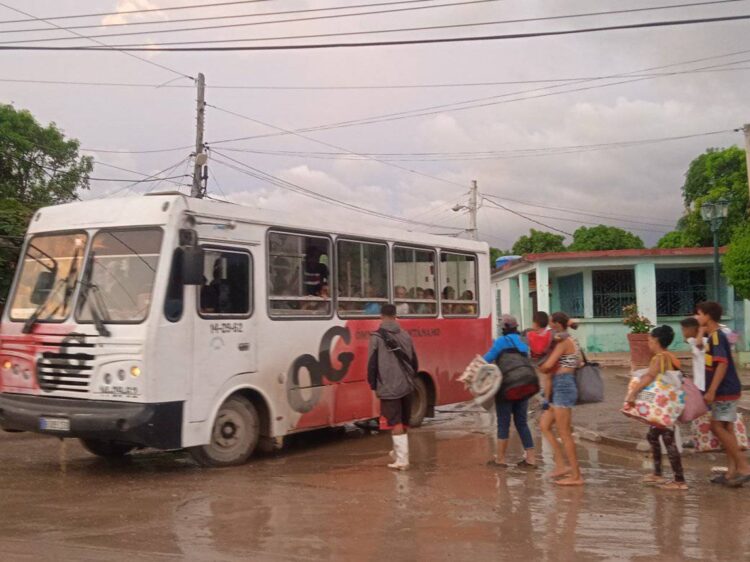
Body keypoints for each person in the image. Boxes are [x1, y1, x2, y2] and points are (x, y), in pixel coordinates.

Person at [695, 301, 750, 487]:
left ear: (708, 316)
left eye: (700, 314)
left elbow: (723, 363)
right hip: (727, 388)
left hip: (724, 390)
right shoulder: (713, 336)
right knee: (726, 428)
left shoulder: (717, 337)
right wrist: (701, 331)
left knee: (717, 427)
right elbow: (700, 347)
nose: (697, 317)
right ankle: (731, 473)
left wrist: (711, 390)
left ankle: (744, 466)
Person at [626, 326, 687, 491]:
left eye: (650, 340)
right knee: (653, 435)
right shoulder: (671, 357)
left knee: (667, 438)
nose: (648, 343)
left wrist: (633, 393)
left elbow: (649, 377)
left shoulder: (659, 358)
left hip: (664, 407)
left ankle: (679, 480)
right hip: (668, 404)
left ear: (656, 341)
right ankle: (658, 474)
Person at [367, 304, 419, 470]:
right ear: (396, 316)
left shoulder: (376, 337)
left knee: (394, 421)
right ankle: (398, 453)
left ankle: (402, 460)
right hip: (407, 385)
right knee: (403, 421)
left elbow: (372, 365)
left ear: (381, 316)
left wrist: (373, 385)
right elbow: (414, 362)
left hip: (389, 386)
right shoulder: (405, 335)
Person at [483, 314, 537, 468]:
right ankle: (531, 459)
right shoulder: (524, 342)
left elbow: (487, 360)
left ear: (504, 328)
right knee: (521, 422)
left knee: (503, 423)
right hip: (524, 386)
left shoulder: (500, 342)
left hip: (506, 388)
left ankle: (500, 459)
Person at [539, 312, 584, 486]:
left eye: (551, 324)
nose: (550, 327)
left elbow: (549, 365)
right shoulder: (573, 341)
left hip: (563, 386)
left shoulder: (564, 342)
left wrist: (539, 366)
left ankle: (576, 475)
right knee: (544, 425)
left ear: (557, 324)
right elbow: (578, 362)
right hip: (563, 384)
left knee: (564, 433)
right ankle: (561, 465)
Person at [680, 317, 706, 391]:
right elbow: (685, 340)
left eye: (683, 329)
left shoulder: (704, 340)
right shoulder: (692, 340)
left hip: (704, 381)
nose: (682, 332)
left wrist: (701, 330)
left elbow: (699, 344)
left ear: (691, 329)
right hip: (698, 381)